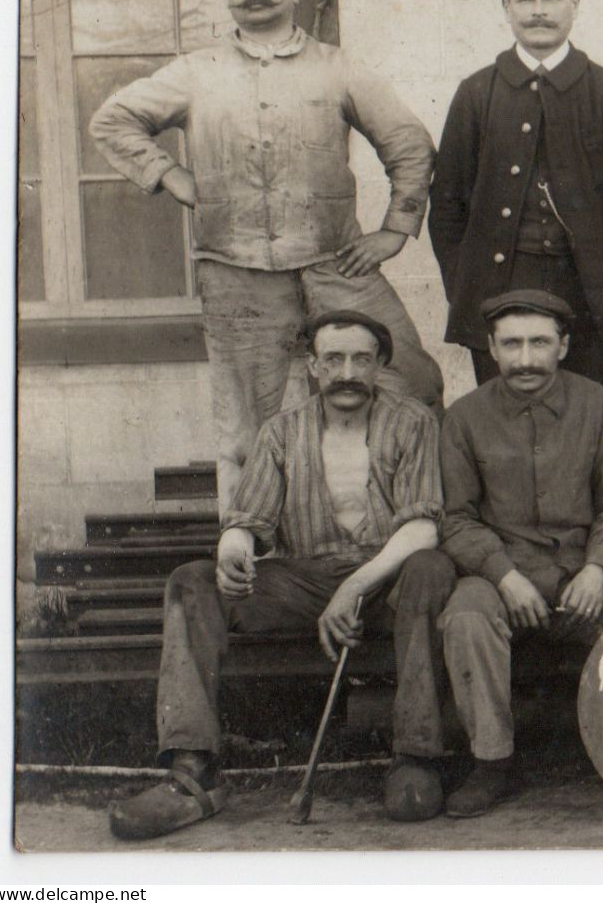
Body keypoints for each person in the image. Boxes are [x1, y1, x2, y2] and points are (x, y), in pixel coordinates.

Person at [89, 0, 444, 519]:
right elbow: (113, 119)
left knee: (411, 382)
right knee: (246, 426)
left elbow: (408, 143)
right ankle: (252, 553)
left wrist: (394, 229)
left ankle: (403, 531)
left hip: (336, 265)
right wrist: (170, 175)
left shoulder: (338, 68)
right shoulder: (194, 73)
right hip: (236, 277)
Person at [108, 311, 454, 839]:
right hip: (304, 581)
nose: (347, 372)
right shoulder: (282, 431)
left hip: (388, 583)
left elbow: (423, 529)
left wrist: (354, 587)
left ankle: (415, 756)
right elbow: (248, 521)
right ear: (312, 366)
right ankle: (191, 771)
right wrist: (234, 552)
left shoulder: (413, 422)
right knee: (191, 581)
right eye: (333, 359)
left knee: (430, 567)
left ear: (381, 365)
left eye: (362, 359)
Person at [435, 289, 603, 817]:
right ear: (492, 350)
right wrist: (503, 576)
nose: (524, 358)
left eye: (539, 342)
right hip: (504, 578)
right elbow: (455, 517)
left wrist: (598, 567)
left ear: (562, 346)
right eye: (511, 344)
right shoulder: (465, 418)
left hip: (587, 570)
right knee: (466, 616)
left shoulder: (598, 406)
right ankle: (493, 760)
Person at [430, 0, 603, 397]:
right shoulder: (477, 93)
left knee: (590, 413)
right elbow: (447, 205)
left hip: (588, 291)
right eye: (525, 1)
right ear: (505, 8)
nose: (538, 12)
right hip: (500, 287)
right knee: (506, 417)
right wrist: (466, 288)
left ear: (575, 4)